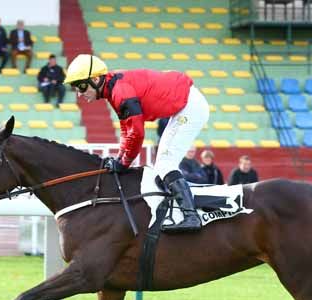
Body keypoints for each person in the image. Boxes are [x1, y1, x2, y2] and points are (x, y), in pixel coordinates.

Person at [63, 54, 209, 232]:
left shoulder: (120, 92)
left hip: (189, 107)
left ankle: (191, 216)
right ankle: (181, 209)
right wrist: (120, 159)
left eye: (81, 86)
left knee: (165, 165)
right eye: (75, 88)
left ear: (95, 79)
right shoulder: (113, 89)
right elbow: (127, 129)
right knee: (161, 168)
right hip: (186, 103)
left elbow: (138, 133)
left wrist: (123, 163)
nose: (79, 93)